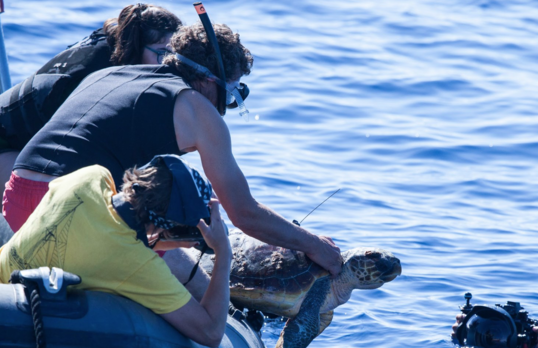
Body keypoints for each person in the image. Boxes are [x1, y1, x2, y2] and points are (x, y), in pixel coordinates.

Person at [3, 21, 343, 276]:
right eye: (234, 91)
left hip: (16, 198)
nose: (231, 104)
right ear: (211, 81)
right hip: (70, 212)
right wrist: (314, 245)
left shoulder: (114, 73)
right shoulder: (199, 110)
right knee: (195, 283)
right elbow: (244, 212)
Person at [0, 154, 230, 347]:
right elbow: (210, 333)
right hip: (19, 327)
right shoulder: (137, 265)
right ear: (169, 229)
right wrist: (223, 254)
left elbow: (110, 229)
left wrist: (163, 236)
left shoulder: (90, 176)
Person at [0, 3, 182, 208]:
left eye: (174, 55)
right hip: (7, 150)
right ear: (136, 47)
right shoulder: (100, 76)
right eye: (161, 54)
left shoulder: (113, 51)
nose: (169, 64)